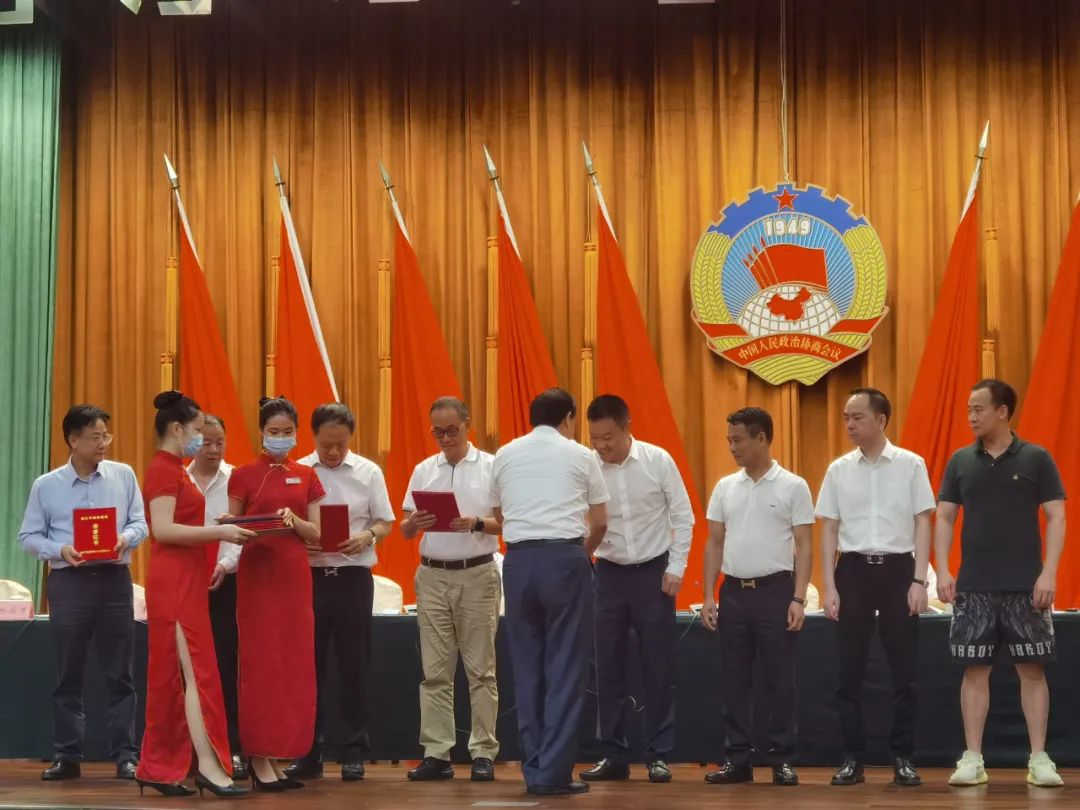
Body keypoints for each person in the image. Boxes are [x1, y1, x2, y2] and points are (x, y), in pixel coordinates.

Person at [934, 379, 1067, 788]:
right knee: (974, 672)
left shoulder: (1036, 458)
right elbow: (944, 517)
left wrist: (1049, 572)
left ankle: (1039, 758)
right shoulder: (960, 460)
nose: (971, 417)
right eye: (968, 410)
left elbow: (1057, 517)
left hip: (1027, 587)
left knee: (1032, 672)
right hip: (973, 586)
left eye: (978, 409)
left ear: (1003, 411)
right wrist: (943, 569)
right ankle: (973, 758)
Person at [488, 387, 609, 796]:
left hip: (519, 561)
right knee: (566, 669)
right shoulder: (581, 455)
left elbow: (500, 515)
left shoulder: (505, 454)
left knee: (527, 668)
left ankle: (534, 768)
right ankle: (553, 774)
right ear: (568, 418)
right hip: (565, 558)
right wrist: (579, 557)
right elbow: (601, 522)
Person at [18, 404, 148, 781]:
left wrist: (125, 538)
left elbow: (140, 523)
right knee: (68, 673)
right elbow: (27, 537)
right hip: (69, 582)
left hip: (113, 580)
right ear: (73, 441)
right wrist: (60, 550)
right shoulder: (46, 485)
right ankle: (67, 755)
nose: (103, 443)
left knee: (120, 672)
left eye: (106, 436)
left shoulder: (123, 475)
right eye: (95, 437)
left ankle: (126, 755)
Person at [816, 388, 935, 787]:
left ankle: (903, 756)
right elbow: (829, 528)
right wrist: (829, 585)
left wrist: (919, 579)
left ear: (881, 420)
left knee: (905, 671)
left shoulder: (911, 465)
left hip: (899, 569)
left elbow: (923, 521)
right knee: (848, 672)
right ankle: (853, 758)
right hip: (852, 570)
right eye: (846, 417)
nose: (849, 424)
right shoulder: (838, 469)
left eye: (857, 417)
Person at [135, 391, 251, 798]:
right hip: (175, 581)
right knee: (196, 671)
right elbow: (163, 530)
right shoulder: (163, 471)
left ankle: (163, 767)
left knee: (181, 674)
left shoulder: (174, 470)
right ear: (177, 429)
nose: (202, 438)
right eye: (199, 430)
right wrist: (220, 532)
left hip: (186, 576)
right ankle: (209, 768)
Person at [578, 394, 694, 785]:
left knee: (656, 665)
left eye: (607, 437)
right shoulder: (588, 467)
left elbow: (683, 516)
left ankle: (658, 754)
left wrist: (676, 567)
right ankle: (612, 754)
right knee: (606, 666)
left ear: (627, 428)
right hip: (608, 574)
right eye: (594, 438)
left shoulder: (658, 461)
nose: (600, 446)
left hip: (654, 575)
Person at [700, 407, 814, 787]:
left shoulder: (793, 486)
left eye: (738, 440)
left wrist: (798, 598)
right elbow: (714, 543)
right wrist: (708, 595)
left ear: (762, 438)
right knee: (735, 679)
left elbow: (804, 544)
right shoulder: (724, 487)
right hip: (733, 592)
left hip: (776, 591)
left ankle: (781, 758)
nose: (732, 448)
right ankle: (737, 759)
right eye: (729, 441)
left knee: (780, 680)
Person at [286, 403, 394, 782]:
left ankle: (353, 750)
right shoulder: (298, 471)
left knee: (354, 663)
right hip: (310, 578)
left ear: (351, 438)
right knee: (308, 666)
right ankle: (308, 751)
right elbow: (286, 521)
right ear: (313, 437)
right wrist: (301, 539)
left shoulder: (368, 471)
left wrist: (367, 536)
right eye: (327, 444)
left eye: (341, 444)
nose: (333, 452)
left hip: (352, 578)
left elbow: (385, 522)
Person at [400, 397, 502, 783]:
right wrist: (417, 522)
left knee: (481, 670)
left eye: (451, 431)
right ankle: (437, 752)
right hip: (433, 574)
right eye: (437, 432)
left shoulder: (491, 466)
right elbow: (405, 529)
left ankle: (483, 751)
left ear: (467, 425)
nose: (445, 439)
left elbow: (507, 522)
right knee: (435, 671)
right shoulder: (424, 469)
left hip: (477, 573)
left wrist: (476, 522)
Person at [227, 396, 324, 791]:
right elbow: (232, 527)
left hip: (294, 576)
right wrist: (250, 526)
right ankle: (257, 756)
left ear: (297, 433)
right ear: (261, 433)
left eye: (287, 432)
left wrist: (293, 520)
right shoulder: (243, 475)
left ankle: (281, 754)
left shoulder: (307, 475)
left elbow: (316, 532)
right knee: (260, 665)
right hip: (257, 575)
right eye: (273, 432)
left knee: (292, 667)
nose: (281, 438)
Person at [188, 414, 246, 780]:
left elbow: (245, 531)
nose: (213, 449)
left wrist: (225, 563)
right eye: (206, 442)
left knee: (227, 667)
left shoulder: (236, 479)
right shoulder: (180, 480)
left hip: (227, 584)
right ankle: (192, 750)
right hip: (187, 585)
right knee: (190, 670)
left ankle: (232, 747)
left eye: (219, 442)